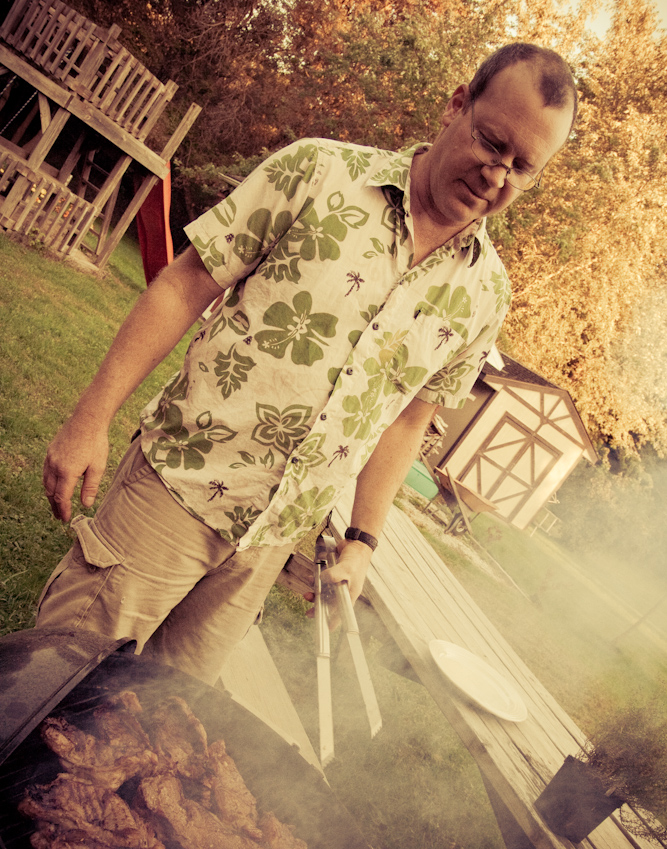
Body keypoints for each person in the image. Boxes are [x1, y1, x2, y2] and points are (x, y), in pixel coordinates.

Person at [37, 43, 577, 685]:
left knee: (156, 728)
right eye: (492, 143)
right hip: (175, 490)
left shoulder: (485, 294)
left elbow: (409, 420)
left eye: (522, 168)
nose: (497, 176)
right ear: (457, 104)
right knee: (52, 687)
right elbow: (183, 285)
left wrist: (363, 540)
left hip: (266, 547)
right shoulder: (321, 173)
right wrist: (90, 418)